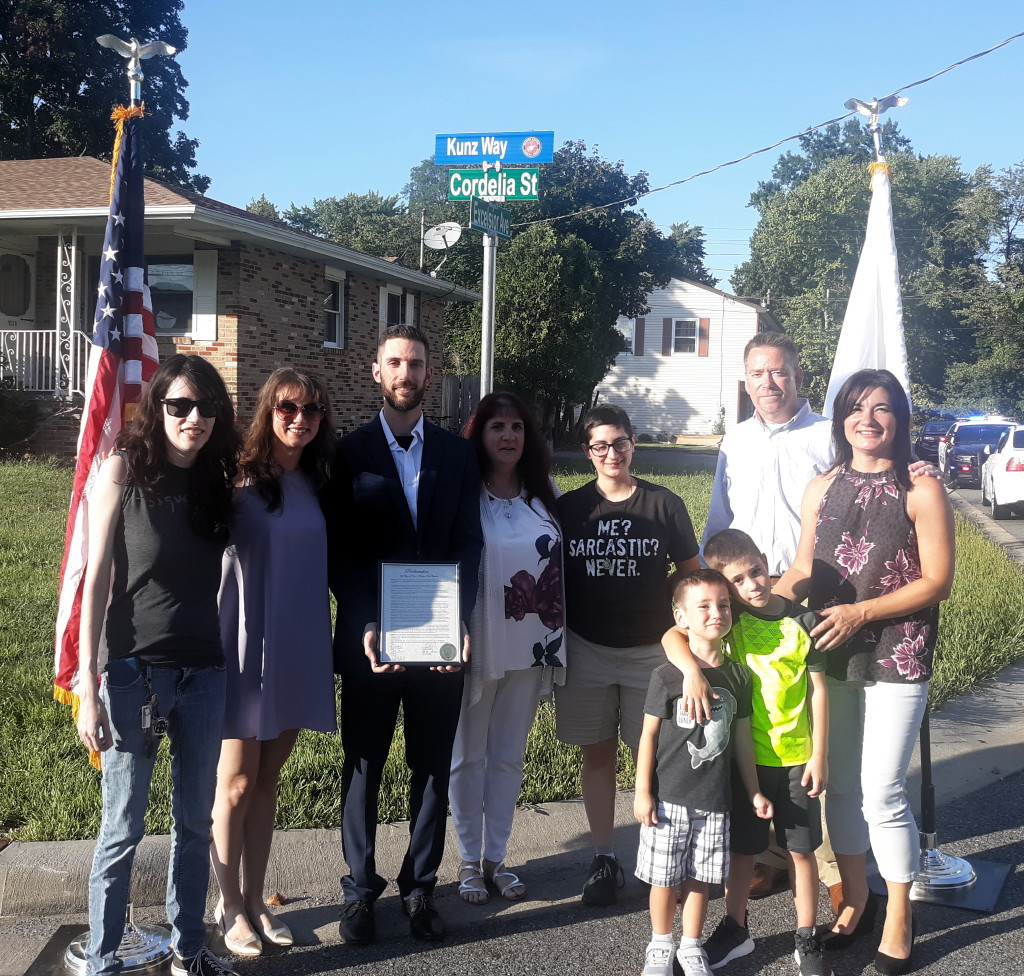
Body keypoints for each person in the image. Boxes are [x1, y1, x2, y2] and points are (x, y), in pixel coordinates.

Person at [776, 368, 954, 975]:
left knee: (882, 791)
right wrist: (758, 598)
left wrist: (861, 612)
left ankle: (900, 916)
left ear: (900, 419)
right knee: (842, 789)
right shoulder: (821, 486)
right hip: (830, 650)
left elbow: (937, 580)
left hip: (898, 653)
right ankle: (856, 902)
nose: (868, 419)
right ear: (841, 417)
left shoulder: (921, 487)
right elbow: (803, 565)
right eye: (856, 408)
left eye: (882, 409)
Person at [75, 354, 240, 976]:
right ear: (158, 408)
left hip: (205, 671)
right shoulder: (122, 470)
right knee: (122, 829)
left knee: (195, 823)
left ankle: (187, 950)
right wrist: (88, 685)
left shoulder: (217, 480)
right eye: (179, 406)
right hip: (134, 671)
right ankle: (102, 956)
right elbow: (95, 583)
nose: (193, 418)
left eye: (205, 408)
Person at [326, 324, 483, 944]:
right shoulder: (347, 453)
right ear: (377, 371)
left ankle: (420, 888)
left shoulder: (456, 453)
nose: (406, 374)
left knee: (432, 767)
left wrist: (459, 619)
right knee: (363, 764)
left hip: (440, 642)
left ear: (428, 373)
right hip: (371, 640)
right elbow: (339, 550)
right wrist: (365, 616)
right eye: (395, 362)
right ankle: (360, 892)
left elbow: (467, 541)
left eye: (415, 364)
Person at [211, 368, 337, 955]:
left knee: (266, 782)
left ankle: (256, 897)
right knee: (235, 782)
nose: (300, 419)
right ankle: (228, 903)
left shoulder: (317, 480)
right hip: (242, 646)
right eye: (288, 407)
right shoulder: (236, 478)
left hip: (298, 644)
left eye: (312, 410)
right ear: (268, 411)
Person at [665, 529, 830, 976]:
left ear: (765, 560)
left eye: (755, 572)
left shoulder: (804, 622)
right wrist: (690, 674)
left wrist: (819, 755)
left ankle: (806, 936)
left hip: (797, 758)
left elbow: (817, 692)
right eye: (736, 581)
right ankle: (736, 928)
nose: (751, 585)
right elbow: (671, 636)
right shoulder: (729, 620)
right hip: (745, 760)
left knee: (801, 851)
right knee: (744, 850)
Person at [557, 403, 700, 905]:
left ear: (633, 444)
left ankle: (661, 855)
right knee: (596, 755)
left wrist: (694, 640)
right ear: (587, 452)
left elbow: (690, 574)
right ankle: (603, 858)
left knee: (659, 759)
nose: (611, 453)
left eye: (620, 443)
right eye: (600, 445)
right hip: (586, 649)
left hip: (650, 654)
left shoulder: (664, 505)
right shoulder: (570, 509)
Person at [448, 392, 565, 905]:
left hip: (532, 644)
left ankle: (497, 858)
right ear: (480, 433)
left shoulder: (543, 494)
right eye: (497, 426)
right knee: (466, 757)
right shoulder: (462, 493)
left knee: (508, 758)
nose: (509, 436)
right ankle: (468, 862)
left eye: (517, 426)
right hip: (476, 639)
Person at [634, 569, 771, 976]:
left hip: (716, 801)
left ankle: (691, 946)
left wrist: (754, 792)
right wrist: (642, 791)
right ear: (681, 619)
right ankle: (660, 945)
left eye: (724, 605)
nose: (717, 613)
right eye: (704, 606)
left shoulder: (740, 677)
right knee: (665, 879)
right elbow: (648, 735)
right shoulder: (666, 676)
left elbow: (743, 739)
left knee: (701, 879)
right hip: (669, 798)